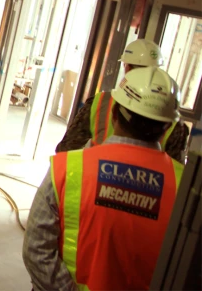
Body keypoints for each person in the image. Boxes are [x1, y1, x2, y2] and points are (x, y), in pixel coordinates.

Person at [23, 67, 185, 291]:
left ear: (115, 113)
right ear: (167, 126)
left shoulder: (67, 168)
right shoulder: (184, 186)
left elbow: (36, 251)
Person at [56, 38, 188, 161]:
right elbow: (175, 170)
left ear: (128, 67)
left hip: (93, 178)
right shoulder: (173, 120)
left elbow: (66, 150)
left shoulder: (100, 103)